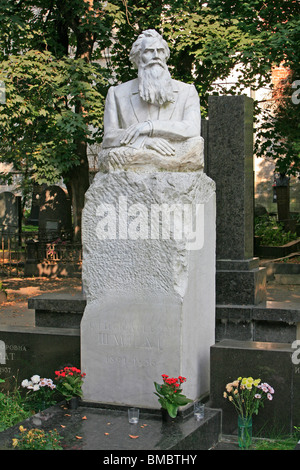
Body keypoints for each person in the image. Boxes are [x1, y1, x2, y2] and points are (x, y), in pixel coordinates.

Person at [100, 29, 202, 169]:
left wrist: (150, 126)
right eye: (149, 51)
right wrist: (144, 140)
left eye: (160, 51)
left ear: (165, 56)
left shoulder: (186, 92)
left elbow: (193, 128)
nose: (156, 56)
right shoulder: (117, 93)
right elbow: (109, 136)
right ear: (138, 57)